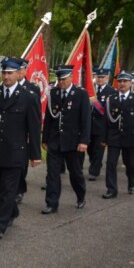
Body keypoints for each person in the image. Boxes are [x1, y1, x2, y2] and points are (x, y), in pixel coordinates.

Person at [0, 57, 41, 240]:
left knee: (9, 189)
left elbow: (34, 128)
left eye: (10, 73)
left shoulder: (28, 97)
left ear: (19, 73)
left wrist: (35, 154)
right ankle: (13, 211)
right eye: (4, 72)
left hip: (16, 152)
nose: (6, 76)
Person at [42, 64, 90, 214]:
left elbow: (86, 120)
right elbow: (49, 118)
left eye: (64, 79)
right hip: (55, 141)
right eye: (59, 79)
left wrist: (84, 141)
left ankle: (81, 196)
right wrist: (45, 139)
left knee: (75, 173)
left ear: (71, 77)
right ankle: (52, 203)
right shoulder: (53, 93)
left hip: (73, 142)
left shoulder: (81, 94)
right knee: (52, 174)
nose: (61, 82)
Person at [101, 71, 134, 198]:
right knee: (110, 163)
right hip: (114, 137)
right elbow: (105, 120)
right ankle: (111, 190)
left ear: (130, 83)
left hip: (131, 137)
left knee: (131, 165)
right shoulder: (111, 99)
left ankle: (131, 182)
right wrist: (103, 137)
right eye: (120, 81)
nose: (122, 84)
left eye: (125, 81)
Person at [15, 59, 41, 204]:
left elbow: (35, 116)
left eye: (20, 70)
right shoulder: (6, 87)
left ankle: (19, 190)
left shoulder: (33, 89)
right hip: (12, 133)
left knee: (21, 165)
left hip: (24, 134)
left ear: (25, 71)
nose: (18, 73)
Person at [87, 68, 115, 181]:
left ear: (107, 78)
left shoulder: (111, 91)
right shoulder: (90, 90)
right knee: (89, 149)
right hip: (89, 124)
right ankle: (95, 163)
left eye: (102, 77)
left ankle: (94, 171)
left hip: (102, 126)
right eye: (98, 77)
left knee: (98, 149)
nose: (100, 79)